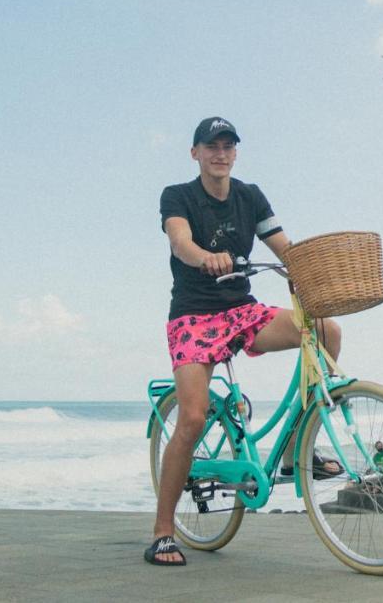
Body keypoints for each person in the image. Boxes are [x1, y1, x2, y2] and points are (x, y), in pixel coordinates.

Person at [145, 117, 345, 567]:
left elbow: (284, 248)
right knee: (193, 418)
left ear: (236, 153)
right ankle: (162, 532)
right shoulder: (177, 196)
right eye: (211, 146)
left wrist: (310, 269)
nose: (221, 153)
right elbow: (180, 243)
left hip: (242, 311)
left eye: (228, 146)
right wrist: (205, 258)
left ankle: (296, 451)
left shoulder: (250, 196)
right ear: (195, 153)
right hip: (194, 316)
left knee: (326, 330)